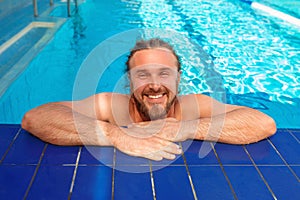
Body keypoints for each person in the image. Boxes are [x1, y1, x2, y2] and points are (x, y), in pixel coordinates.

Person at [21, 38, 277, 161]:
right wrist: (116, 135)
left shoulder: (193, 106)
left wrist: (183, 128)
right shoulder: (110, 105)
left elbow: (263, 123)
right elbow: (35, 118)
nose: (155, 84)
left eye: (164, 73)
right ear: (129, 81)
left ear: (178, 80)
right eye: (143, 74)